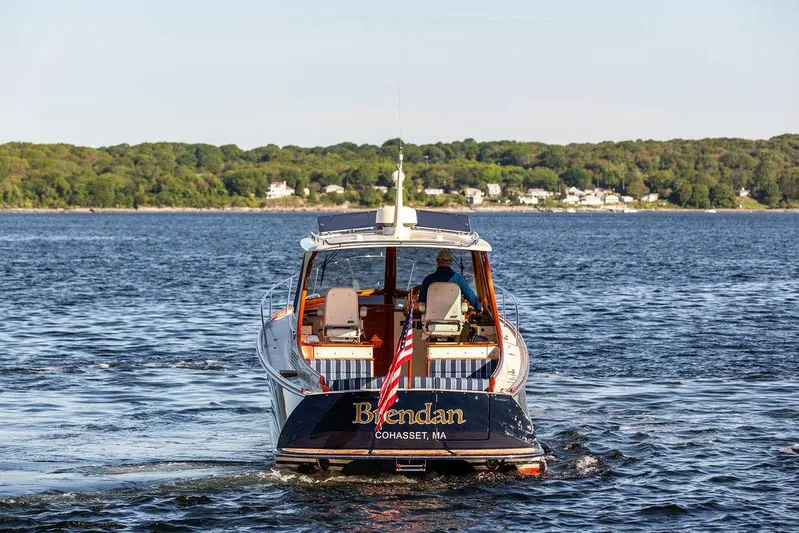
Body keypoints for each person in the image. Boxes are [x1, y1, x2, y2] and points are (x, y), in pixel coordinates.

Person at [418, 249, 483, 312]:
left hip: (431, 318)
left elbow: (421, 301)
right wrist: (479, 308)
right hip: (455, 318)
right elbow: (469, 295)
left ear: (437, 261)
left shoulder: (428, 279)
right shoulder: (458, 278)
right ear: (451, 262)